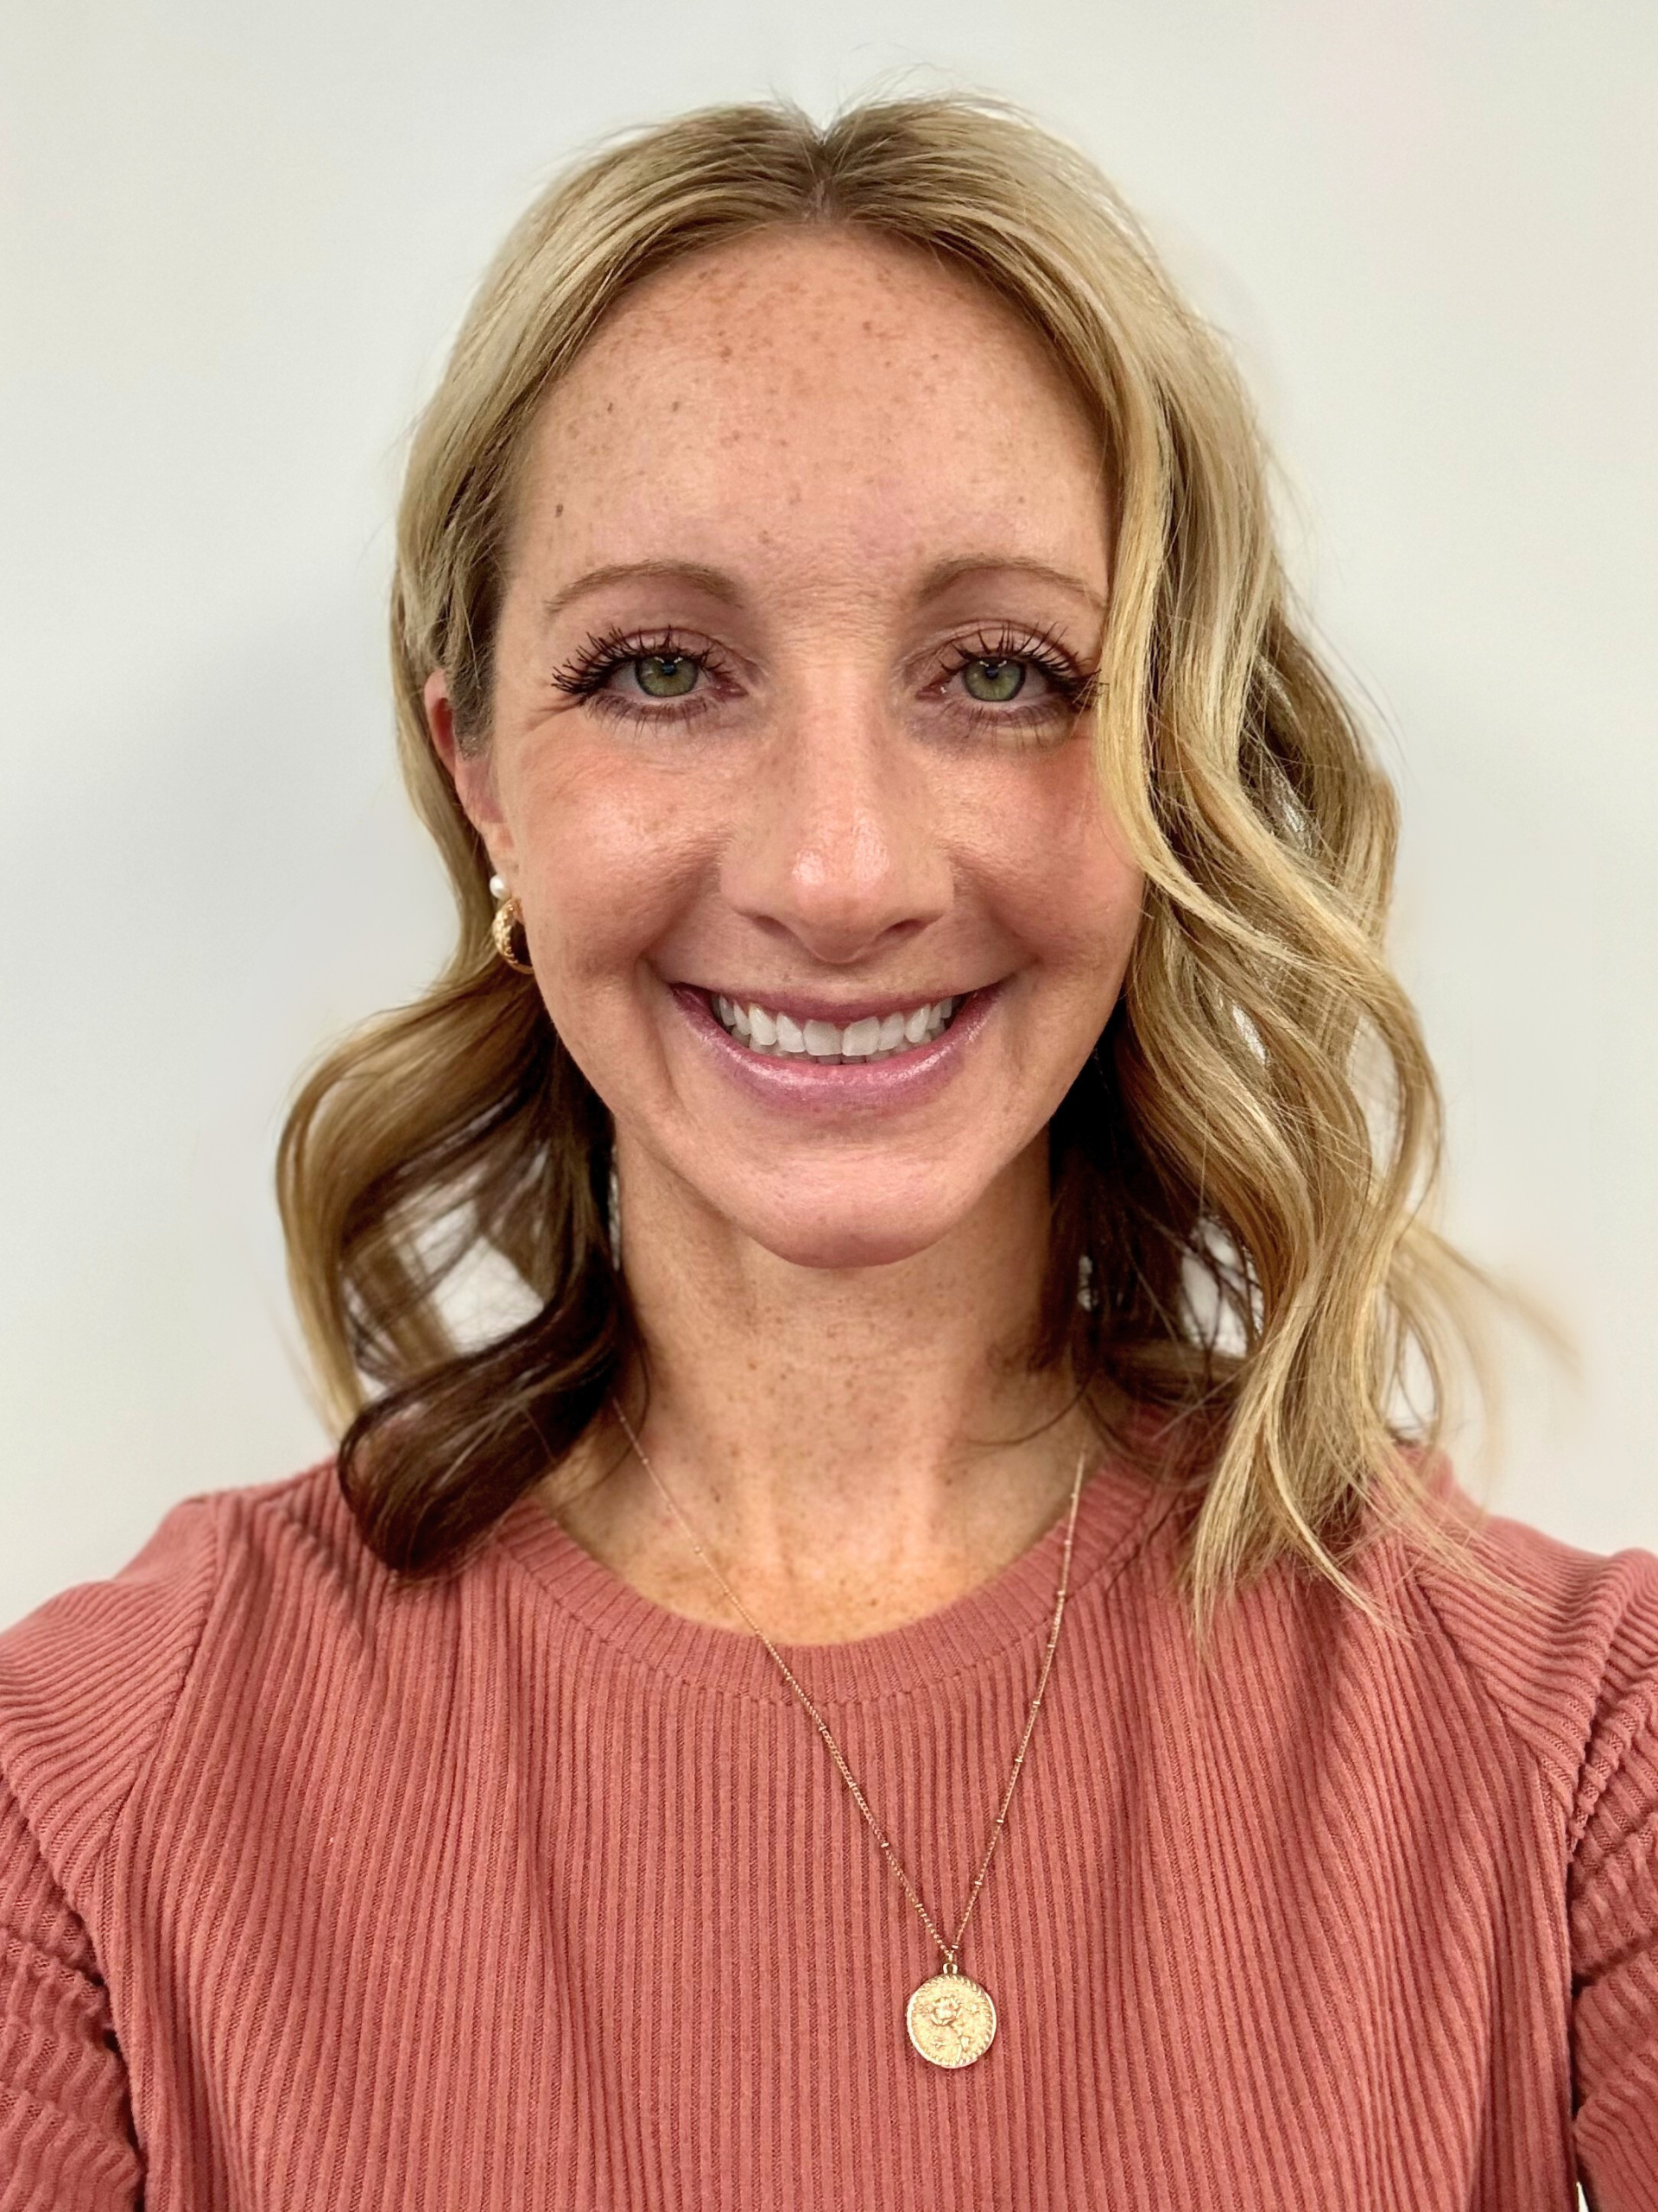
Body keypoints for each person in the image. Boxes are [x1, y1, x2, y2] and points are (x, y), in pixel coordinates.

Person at [1, 92, 1654, 2211]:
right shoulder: (95, 1791)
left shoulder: (1577, 1748)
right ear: (480, 770)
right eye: (663, 667)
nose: (839, 866)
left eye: (1002, 670)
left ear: (1174, 759)